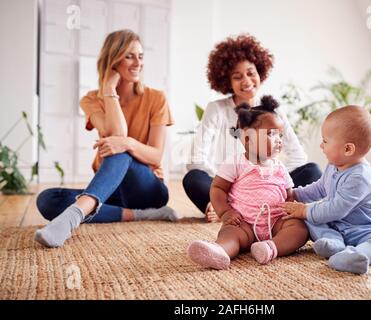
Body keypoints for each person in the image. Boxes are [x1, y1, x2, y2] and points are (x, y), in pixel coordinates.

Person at [34, 29, 179, 248]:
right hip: (113, 192)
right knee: (47, 200)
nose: (137, 62)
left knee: (119, 149)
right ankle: (139, 215)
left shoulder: (156, 98)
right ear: (112, 60)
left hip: (147, 189)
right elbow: (116, 134)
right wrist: (109, 90)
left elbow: (155, 155)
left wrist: (127, 143)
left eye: (140, 56)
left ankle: (73, 216)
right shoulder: (92, 99)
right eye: (129, 56)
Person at [183, 34, 322, 223]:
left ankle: (262, 205)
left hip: (268, 185)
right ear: (227, 81)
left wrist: (269, 177)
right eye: (237, 76)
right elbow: (195, 160)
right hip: (228, 185)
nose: (247, 81)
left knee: (312, 171)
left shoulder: (273, 110)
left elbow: (298, 156)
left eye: (251, 73)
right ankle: (220, 205)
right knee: (193, 178)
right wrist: (231, 183)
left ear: (260, 71)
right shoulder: (216, 109)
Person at [187, 96, 309, 270]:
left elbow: (289, 194)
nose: (279, 139)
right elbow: (218, 188)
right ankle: (219, 251)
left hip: (275, 222)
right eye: (271, 134)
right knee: (230, 233)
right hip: (244, 223)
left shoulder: (280, 167)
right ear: (247, 139)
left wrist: (293, 210)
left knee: (300, 229)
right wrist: (225, 212)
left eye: (280, 134)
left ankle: (270, 248)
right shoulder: (235, 163)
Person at [281, 105, 371, 274]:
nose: (321, 145)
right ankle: (333, 242)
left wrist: (304, 210)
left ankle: (358, 256)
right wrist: (295, 194)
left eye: (325, 141)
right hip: (337, 226)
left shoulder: (360, 176)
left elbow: (336, 209)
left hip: (364, 230)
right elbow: (320, 188)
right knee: (309, 219)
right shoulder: (333, 166)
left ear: (348, 149)